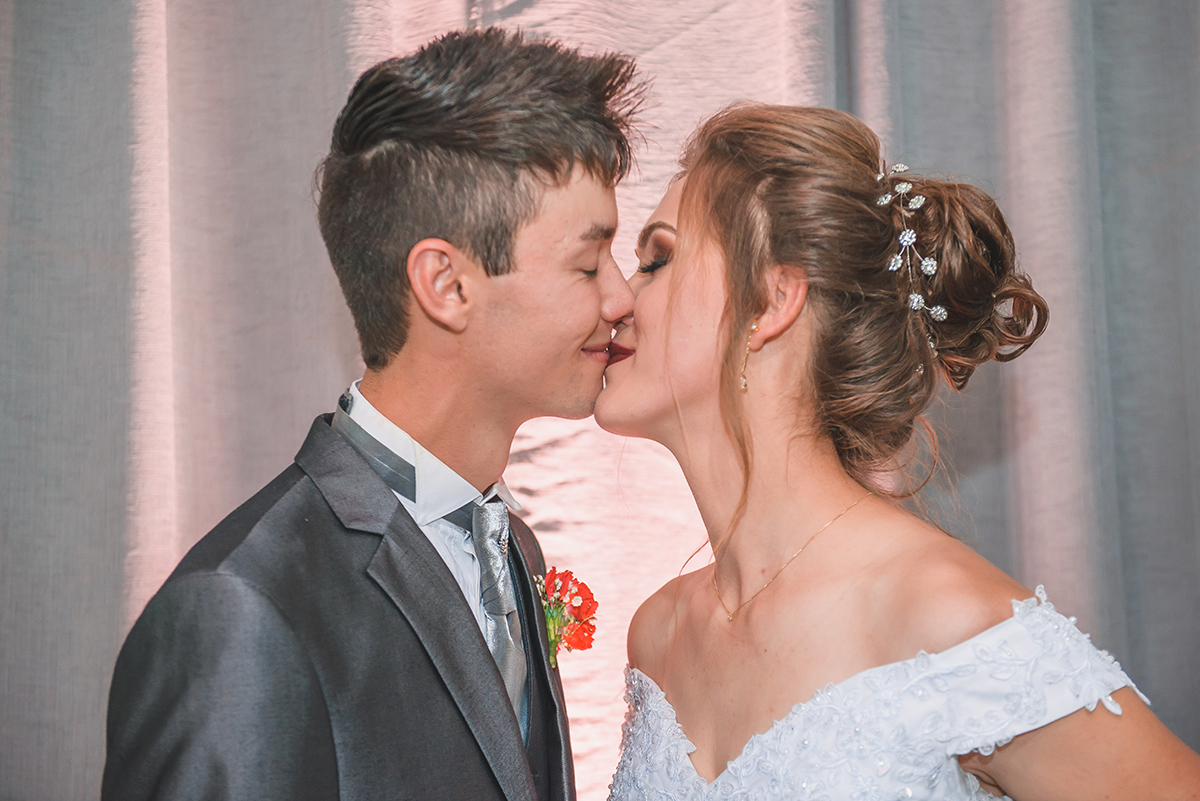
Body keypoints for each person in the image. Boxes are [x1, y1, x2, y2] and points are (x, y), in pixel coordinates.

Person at [597, 104, 1200, 799]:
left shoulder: (943, 615)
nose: (616, 297)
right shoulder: (658, 635)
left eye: (657, 259)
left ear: (771, 300)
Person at [102, 28, 642, 801]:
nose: (620, 297)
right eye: (589, 264)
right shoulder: (241, 611)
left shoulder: (514, 548)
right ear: (446, 285)